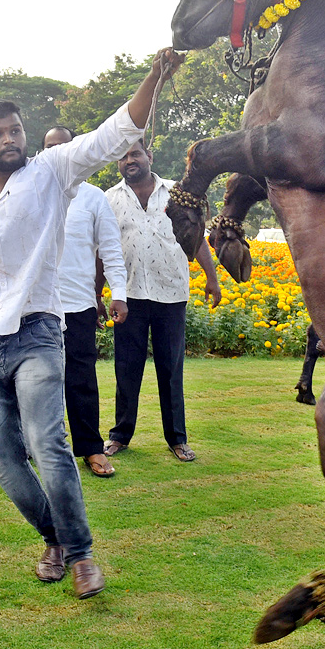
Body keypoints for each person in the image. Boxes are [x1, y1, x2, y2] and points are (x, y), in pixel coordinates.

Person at [0, 49, 182, 598]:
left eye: (15, 130)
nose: (10, 140)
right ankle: (57, 538)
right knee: (2, 458)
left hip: (38, 334)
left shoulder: (51, 172)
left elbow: (114, 133)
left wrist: (154, 76)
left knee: (48, 443)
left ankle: (83, 554)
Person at [104, 142, 221, 462]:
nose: (129, 160)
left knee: (171, 370)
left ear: (149, 157)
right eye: (123, 156)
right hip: (128, 298)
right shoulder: (109, 199)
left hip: (171, 294)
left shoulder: (176, 193)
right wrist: (97, 292)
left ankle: (177, 438)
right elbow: (103, 249)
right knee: (126, 370)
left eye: (135, 154)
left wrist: (211, 278)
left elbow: (195, 239)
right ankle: (120, 436)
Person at [42, 124, 128, 477]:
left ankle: (91, 449)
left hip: (76, 304)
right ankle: (37, 447)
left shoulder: (94, 197)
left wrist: (118, 294)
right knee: (35, 380)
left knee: (80, 378)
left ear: (76, 148)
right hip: (35, 304)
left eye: (64, 146)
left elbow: (110, 248)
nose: (58, 153)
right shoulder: (29, 189)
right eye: (50, 147)